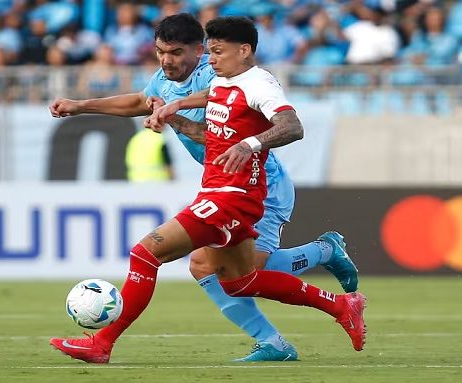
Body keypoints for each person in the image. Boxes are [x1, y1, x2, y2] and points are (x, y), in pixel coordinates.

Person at [49, 16, 366, 365]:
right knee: (221, 273)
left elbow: (265, 125)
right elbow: (144, 102)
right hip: (219, 185)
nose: (166, 60)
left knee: (154, 255)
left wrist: (243, 142)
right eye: (159, 52)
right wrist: (81, 107)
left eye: (175, 52)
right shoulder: (175, 82)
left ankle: (322, 253)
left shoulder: (224, 75)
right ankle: (300, 326)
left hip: (255, 187)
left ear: (200, 52)